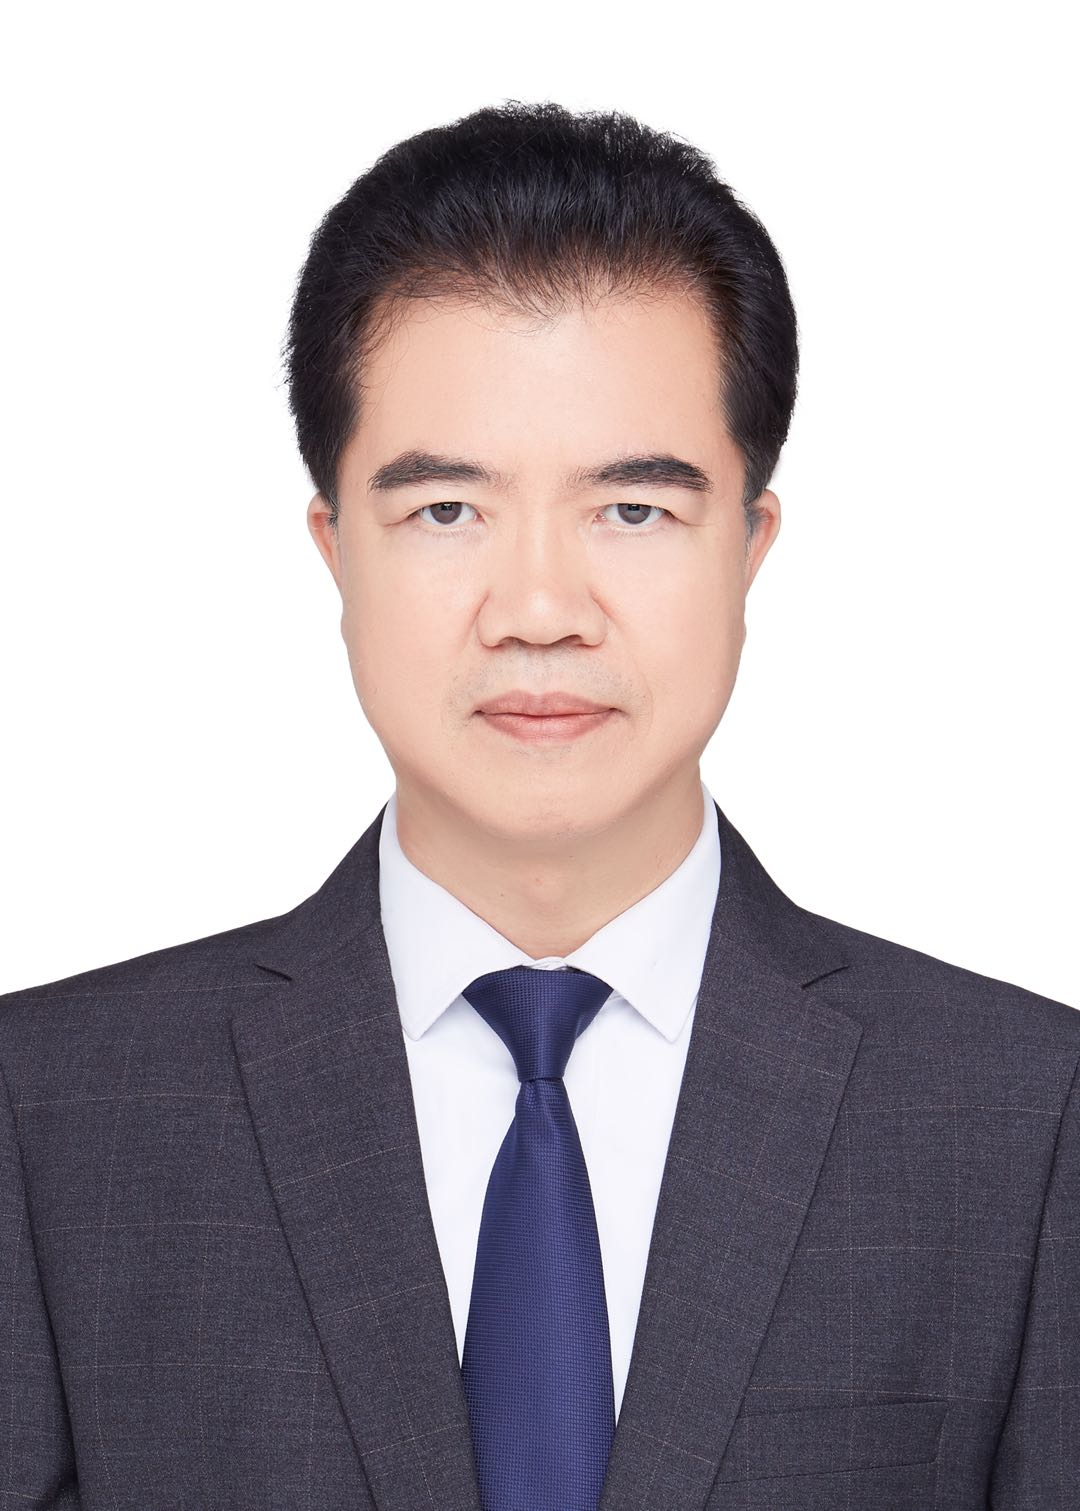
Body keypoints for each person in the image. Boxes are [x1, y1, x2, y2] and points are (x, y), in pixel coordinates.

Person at [0, 100, 1075, 1511]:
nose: (541, 609)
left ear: (749, 546)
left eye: (634, 510)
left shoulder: (1024, 1116)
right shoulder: (50, 1112)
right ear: (337, 549)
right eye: (447, 511)